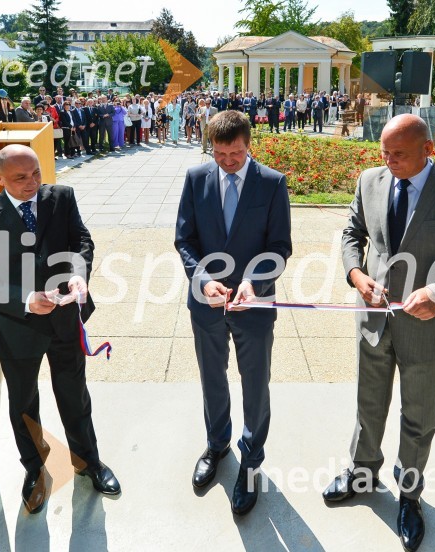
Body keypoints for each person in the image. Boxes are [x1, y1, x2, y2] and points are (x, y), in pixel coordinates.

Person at [323, 114, 435, 552]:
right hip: (373, 320)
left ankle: (409, 496)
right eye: (384, 152)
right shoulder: (369, 180)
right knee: (368, 405)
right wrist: (356, 276)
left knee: (417, 420)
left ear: (428, 149)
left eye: (398, 154)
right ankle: (362, 473)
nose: (389, 161)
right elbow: (352, 234)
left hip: (428, 330)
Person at [0, 144, 120, 515]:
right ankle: (35, 470)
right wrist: (26, 299)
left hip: (64, 319)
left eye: (36, 173)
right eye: (20, 177)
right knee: (23, 403)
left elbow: (81, 241)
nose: (32, 182)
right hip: (17, 328)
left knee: (74, 394)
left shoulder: (62, 198)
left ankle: (87, 460)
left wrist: (80, 276)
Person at [175, 110, 292, 516]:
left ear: (249, 144)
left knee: (255, 383)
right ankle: (217, 444)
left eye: (236, 154)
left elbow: (279, 247)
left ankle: (252, 460)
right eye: (220, 154)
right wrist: (202, 279)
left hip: (253, 304)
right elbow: (185, 239)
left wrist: (253, 282)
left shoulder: (272, 183)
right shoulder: (196, 178)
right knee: (212, 377)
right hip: (206, 303)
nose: (227, 161)